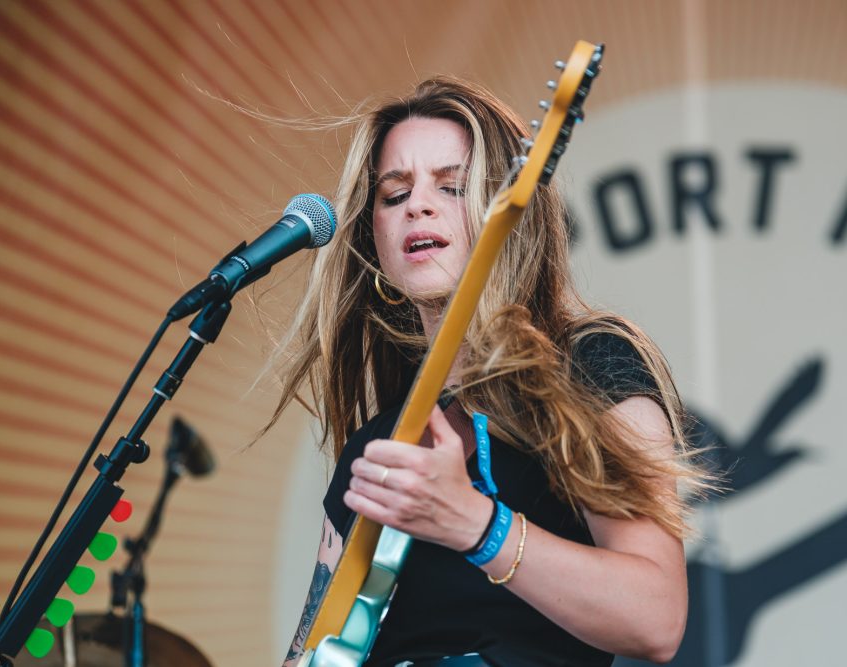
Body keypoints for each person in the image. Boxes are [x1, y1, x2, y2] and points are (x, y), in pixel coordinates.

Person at [272, 76, 707, 667]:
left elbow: (655, 617)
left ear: (510, 214)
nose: (418, 206)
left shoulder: (589, 366)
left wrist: (477, 524)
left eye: (451, 186)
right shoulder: (375, 453)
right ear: (374, 239)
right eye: (393, 196)